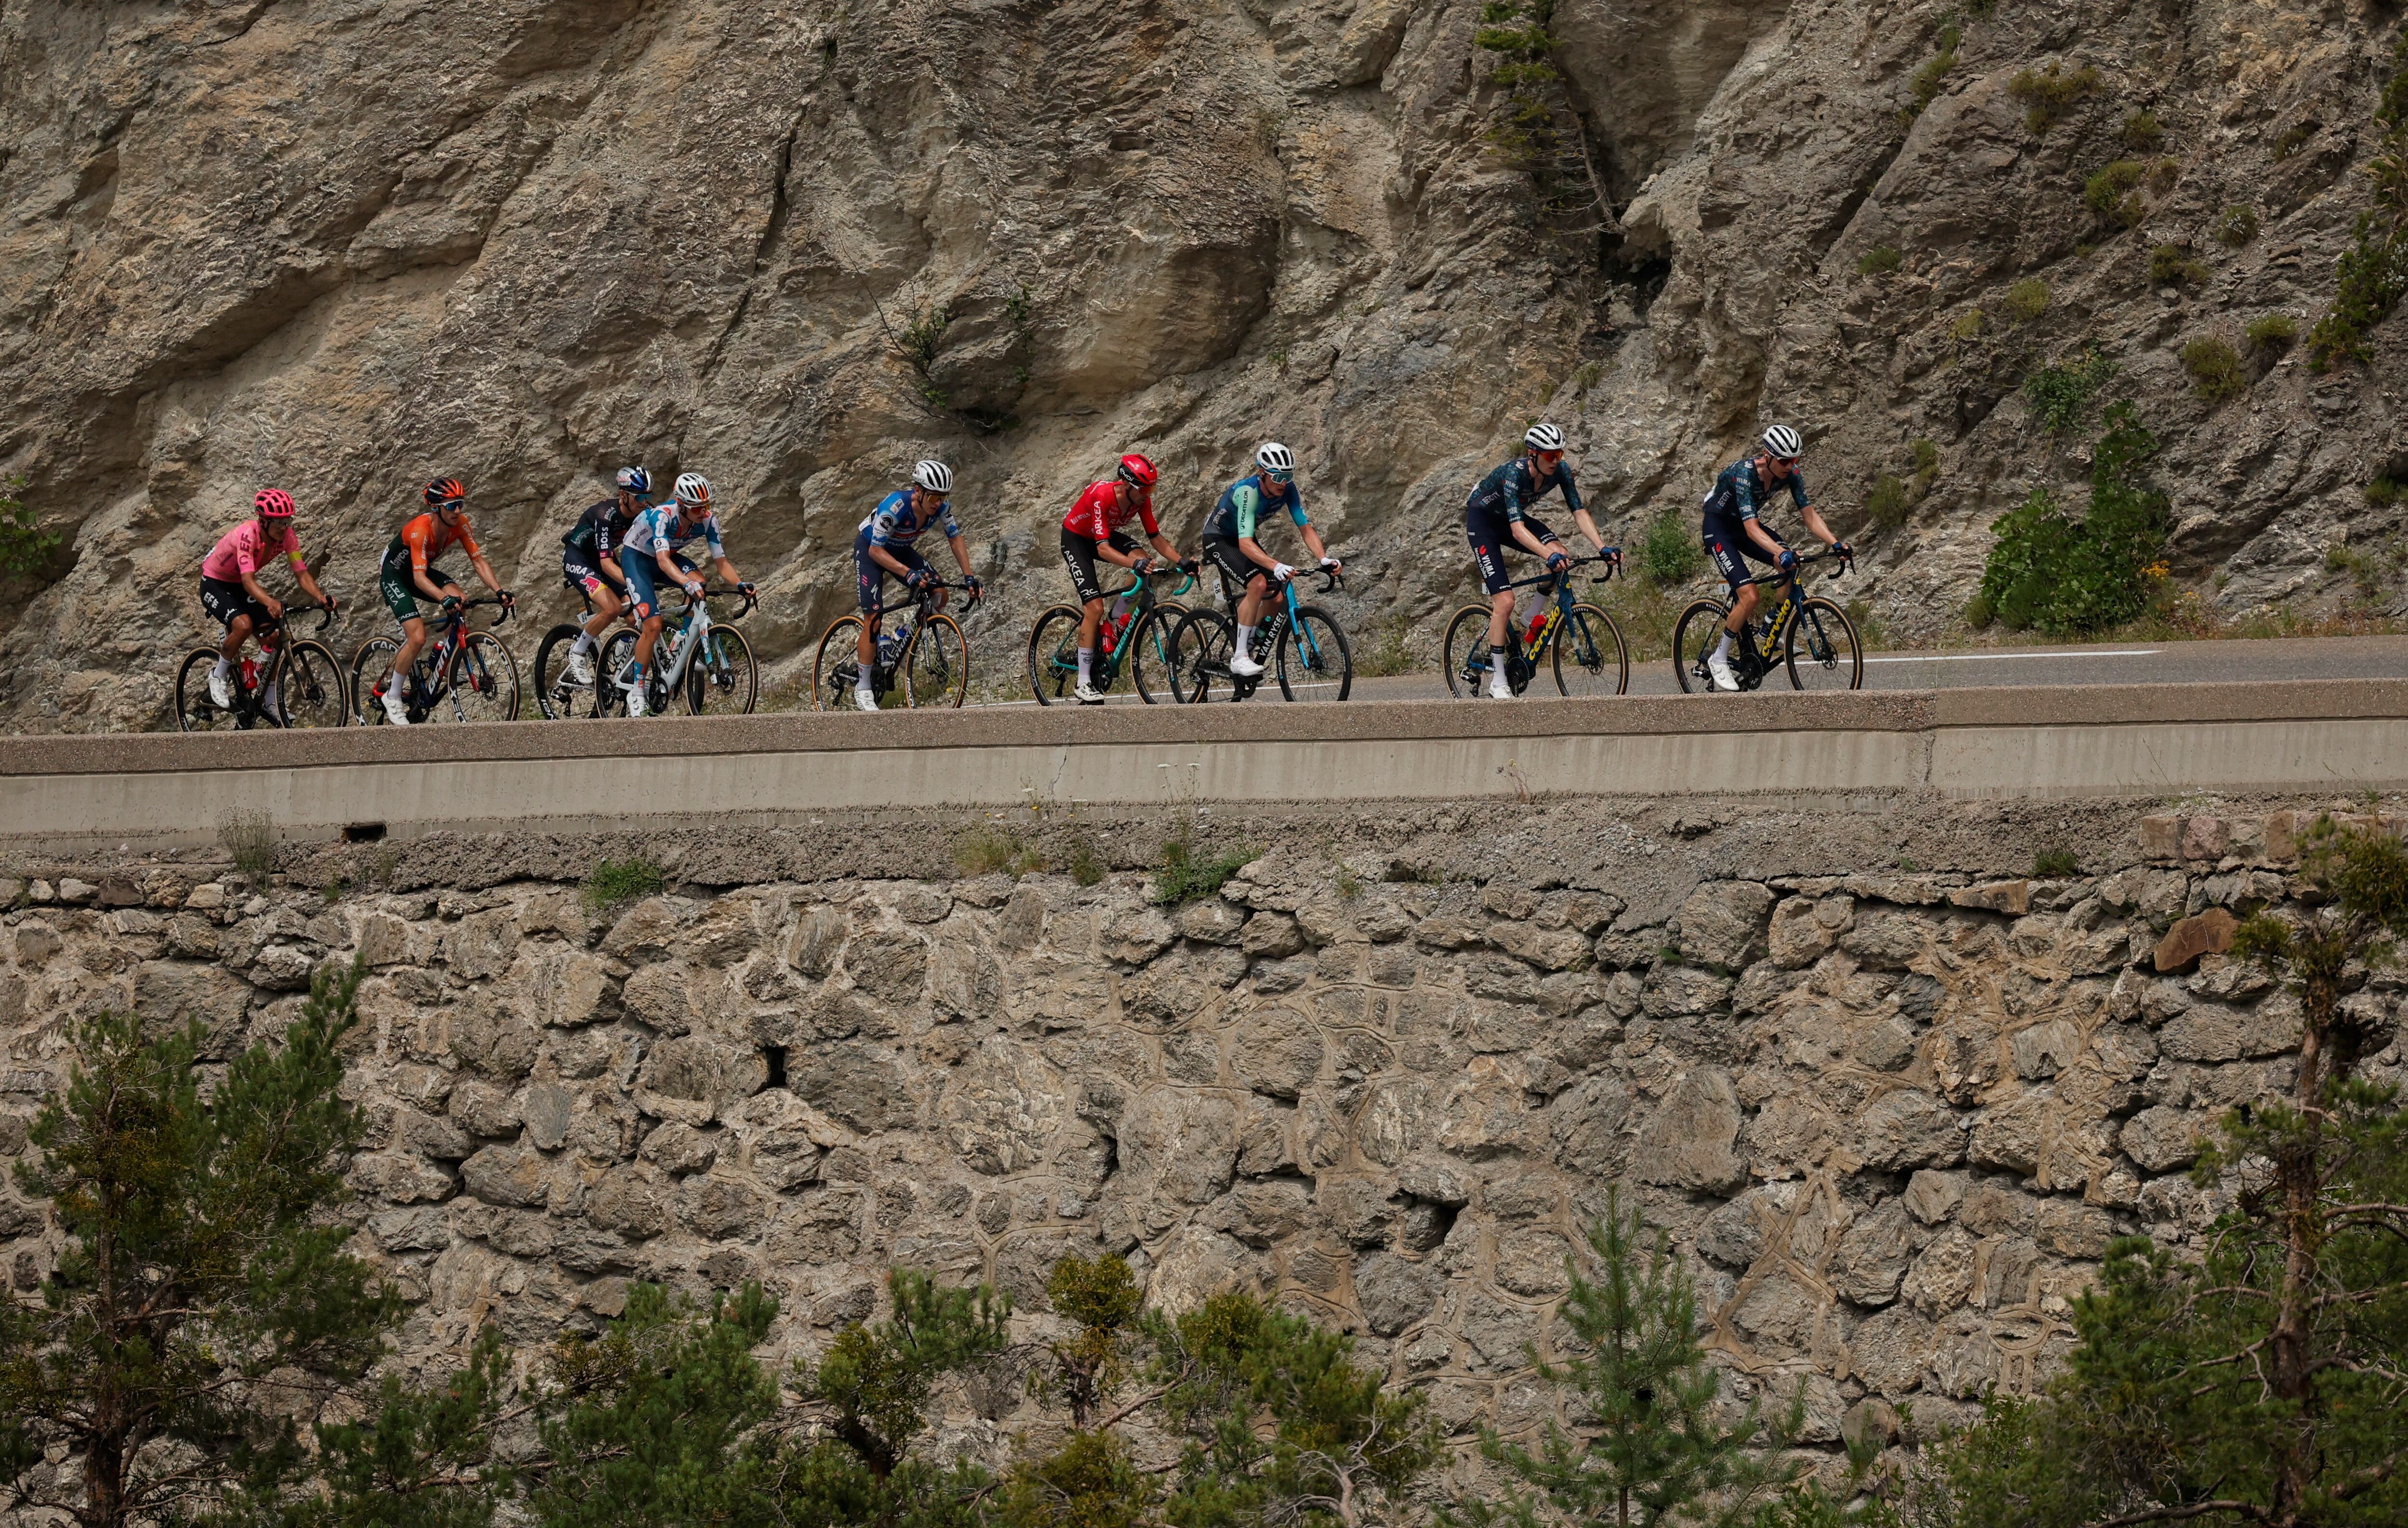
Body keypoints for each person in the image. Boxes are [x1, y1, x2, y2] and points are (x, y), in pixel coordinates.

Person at [1698, 423, 1848, 691]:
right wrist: (1780, 552)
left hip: (1746, 525)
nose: (1790, 466)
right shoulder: (1745, 475)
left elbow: (1809, 514)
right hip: (1719, 527)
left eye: (1795, 460)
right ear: (1767, 455)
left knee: (1791, 568)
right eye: (1784, 460)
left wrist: (1835, 543)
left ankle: (1769, 628)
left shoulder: (1790, 473)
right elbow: (1752, 529)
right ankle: (1719, 658)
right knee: (1750, 595)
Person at [1464, 422, 1608, 700]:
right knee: (1505, 602)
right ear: (1533, 453)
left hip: (1508, 519)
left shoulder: (1561, 472)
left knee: (1562, 554)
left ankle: (1533, 616)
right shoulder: (1513, 475)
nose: (1556, 461)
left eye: (1560, 455)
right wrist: (1547, 554)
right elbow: (1518, 531)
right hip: (1483, 524)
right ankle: (1497, 681)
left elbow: (1578, 511)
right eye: (1550, 456)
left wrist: (1602, 547)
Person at [1058, 452, 1193, 705]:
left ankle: (1116, 617)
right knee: (1094, 608)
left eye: (1152, 488)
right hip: (1077, 539)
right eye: (1145, 488)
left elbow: (1156, 538)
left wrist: (1181, 560)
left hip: (1102, 536)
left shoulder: (1141, 500)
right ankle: (1084, 682)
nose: (1149, 494)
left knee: (1145, 560)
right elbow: (1102, 550)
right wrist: (1134, 563)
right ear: (1129, 485)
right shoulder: (1102, 495)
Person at [615, 471, 752, 718]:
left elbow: (721, 563)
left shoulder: (709, 521)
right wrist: (685, 584)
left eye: (706, 505)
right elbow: (664, 562)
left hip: (666, 557)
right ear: (681, 505)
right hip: (638, 559)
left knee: (701, 581)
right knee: (653, 625)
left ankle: (681, 638)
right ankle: (636, 690)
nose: (704, 512)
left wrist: (740, 583)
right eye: (697, 507)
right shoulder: (662, 517)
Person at [376, 478, 511, 726]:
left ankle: (444, 655)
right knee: (417, 637)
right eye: (451, 506)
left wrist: (500, 590)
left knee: (461, 600)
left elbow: (479, 561)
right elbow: (418, 578)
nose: (458, 511)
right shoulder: (421, 529)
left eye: (460, 504)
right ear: (436, 508)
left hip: (420, 571)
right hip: (396, 575)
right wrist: (442, 598)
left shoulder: (461, 524)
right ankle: (393, 695)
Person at [1200, 443, 1340, 679]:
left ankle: (1247, 637)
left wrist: (1324, 558)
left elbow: (1306, 529)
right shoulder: (1249, 492)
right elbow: (1245, 545)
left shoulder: (1287, 490)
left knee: (1276, 596)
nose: (1283, 482)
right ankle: (1240, 657)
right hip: (1219, 538)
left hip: (1244, 537)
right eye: (1277, 476)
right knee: (1257, 584)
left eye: (1288, 476)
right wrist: (1275, 565)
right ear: (1262, 473)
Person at [197, 489, 337, 718]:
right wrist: (270, 601)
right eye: (278, 522)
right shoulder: (247, 535)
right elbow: (248, 581)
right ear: (263, 521)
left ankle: (269, 702)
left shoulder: (288, 537)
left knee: (273, 638)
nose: (284, 526)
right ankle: (218, 675)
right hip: (215, 582)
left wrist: (321, 598)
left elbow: (301, 574)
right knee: (243, 625)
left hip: (239, 585)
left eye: (287, 520)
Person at [852, 460, 980, 710]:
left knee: (939, 594)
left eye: (942, 497)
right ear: (918, 491)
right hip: (871, 550)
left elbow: (955, 538)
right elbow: (876, 550)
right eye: (932, 495)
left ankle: (901, 636)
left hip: (900, 550)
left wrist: (969, 576)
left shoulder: (941, 508)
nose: (937, 502)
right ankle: (863, 687)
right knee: (874, 619)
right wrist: (907, 573)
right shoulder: (895, 507)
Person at [558, 467, 650, 685]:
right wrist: (635, 580)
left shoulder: (645, 512)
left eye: (648, 496)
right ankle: (578, 651)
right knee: (613, 608)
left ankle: (622, 658)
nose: (644, 502)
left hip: (604, 558)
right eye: (639, 497)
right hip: (578, 558)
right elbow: (607, 565)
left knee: (634, 612)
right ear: (623, 496)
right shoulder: (605, 514)